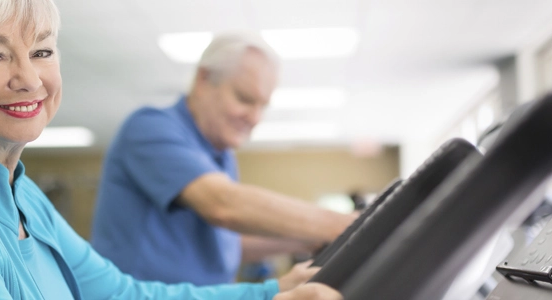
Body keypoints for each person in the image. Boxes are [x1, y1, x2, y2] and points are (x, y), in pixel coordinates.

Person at [0, 0, 343, 299]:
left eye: (41, 51)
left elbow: (120, 294)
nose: (29, 79)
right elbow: (223, 206)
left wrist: (271, 292)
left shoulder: (23, 195)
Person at [90, 32, 358, 285]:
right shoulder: (149, 127)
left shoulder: (222, 155)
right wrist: (347, 224)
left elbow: (227, 245)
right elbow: (223, 205)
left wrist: (306, 238)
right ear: (204, 80)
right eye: (244, 98)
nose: (255, 118)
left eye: (262, 106)